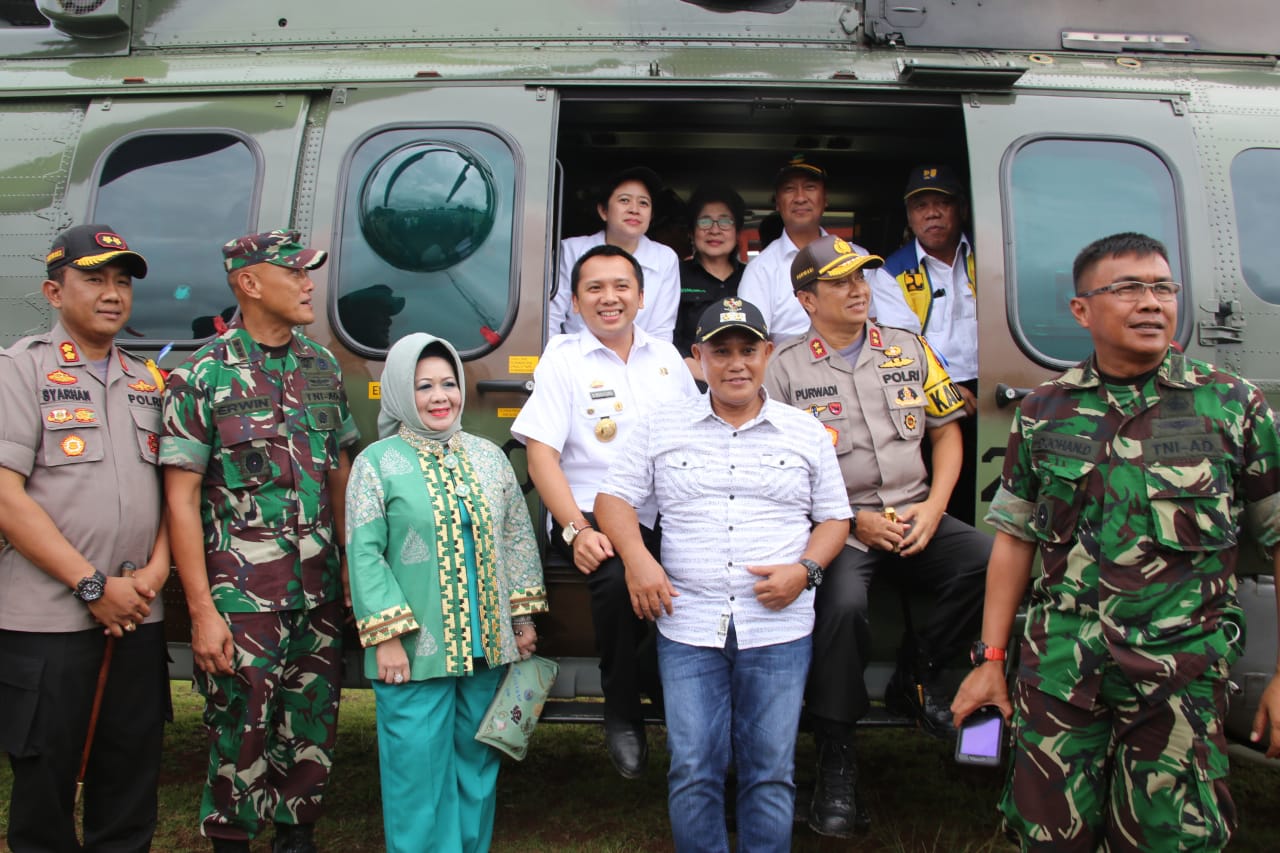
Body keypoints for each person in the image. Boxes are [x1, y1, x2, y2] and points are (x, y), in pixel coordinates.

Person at [952, 232, 1280, 851]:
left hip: (1177, 680)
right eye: (1128, 288)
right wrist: (991, 663)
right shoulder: (1045, 411)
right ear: (1082, 310)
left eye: (1163, 287)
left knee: (1169, 840)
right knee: (1049, 837)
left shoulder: (1232, 407)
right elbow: (1016, 542)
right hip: (1060, 674)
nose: (1151, 302)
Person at [595, 296, 851, 853]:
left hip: (778, 627)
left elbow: (835, 518)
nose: (736, 363)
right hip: (687, 624)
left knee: (771, 770)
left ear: (768, 353)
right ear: (698, 357)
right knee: (692, 767)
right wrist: (639, 561)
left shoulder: (804, 432)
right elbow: (612, 499)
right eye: (721, 351)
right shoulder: (660, 426)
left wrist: (805, 571)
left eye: (747, 350)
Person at [764, 235, 990, 838]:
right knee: (840, 608)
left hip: (917, 513)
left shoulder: (910, 348)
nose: (859, 289)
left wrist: (937, 506)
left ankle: (924, 675)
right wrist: (850, 519)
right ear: (807, 299)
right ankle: (837, 756)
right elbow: (778, 468)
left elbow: (946, 432)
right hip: (843, 526)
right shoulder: (782, 369)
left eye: (862, 278)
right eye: (840, 282)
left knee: (990, 561)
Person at [160, 229, 360, 853]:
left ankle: (295, 837)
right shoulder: (201, 373)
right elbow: (180, 499)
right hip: (241, 599)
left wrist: (351, 569)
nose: (308, 285)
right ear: (249, 284)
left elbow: (338, 473)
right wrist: (199, 611)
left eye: (309, 273)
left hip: (317, 590)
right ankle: (232, 840)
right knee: (238, 732)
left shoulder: (321, 366)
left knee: (311, 728)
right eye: (295, 273)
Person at [0, 224, 170, 852]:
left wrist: (154, 576)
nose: (112, 293)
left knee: (130, 784)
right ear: (53, 290)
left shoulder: (151, 383)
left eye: (122, 281)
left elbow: (174, 495)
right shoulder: (19, 371)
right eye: (94, 278)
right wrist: (91, 584)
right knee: (45, 790)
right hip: (48, 624)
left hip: (137, 616)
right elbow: (5, 499)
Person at [346, 333, 547, 853]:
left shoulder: (488, 457)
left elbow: (516, 537)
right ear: (397, 392)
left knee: (476, 771)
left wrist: (521, 622)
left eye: (449, 383)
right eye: (424, 386)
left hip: (488, 645)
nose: (441, 397)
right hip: (413, 651)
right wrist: (386, 637)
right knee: (417, 775)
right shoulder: (376, 463)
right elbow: (364, 552)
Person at [512, 243, 698, 779]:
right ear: (575, 300)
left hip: (664, 509)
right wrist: (572, 530)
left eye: (621, 287)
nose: (609, 298)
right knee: (617, 580)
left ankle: (673, 693)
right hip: (587, 511)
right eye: (594, 288)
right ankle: (622, 710)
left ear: (641, 296)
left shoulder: (667, 358)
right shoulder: (562, 357)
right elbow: (541, 452)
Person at [870, 164, 979, 522]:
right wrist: (948, 389)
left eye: (941, 203)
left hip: (992, 388)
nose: (931, 213)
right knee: (941, 492)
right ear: (910, 216)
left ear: (961, 208)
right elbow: (903, 342)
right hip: (929, 388)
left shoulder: (991, 255)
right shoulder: (892, 272)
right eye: (920, 206)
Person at [738, 154, 870, 342]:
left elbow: (884, 321)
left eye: (810, 187)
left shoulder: (858, 257)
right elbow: (752, 342)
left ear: (825, 199)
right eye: (789, 189)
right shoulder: (760, 269)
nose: (800, 198)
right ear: (777, 202)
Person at [547, 166, 681, 342]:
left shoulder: (665, 258)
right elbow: (551, 318)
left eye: (643, 203)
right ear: (604, 211)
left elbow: (661, 332)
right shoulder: (571, 250)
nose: (634, 209)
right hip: (576, 360)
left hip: (638, 363)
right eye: (624, 200)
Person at [675, 185, 747, 383]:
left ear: (737, 231)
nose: (714, 230)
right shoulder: (675, 275)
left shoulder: (752, 276)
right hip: (690, 382)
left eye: (725, 222)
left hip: (745, 382)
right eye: (704, 221)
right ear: (691, 231)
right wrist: (709, 376)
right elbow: (668, 339)